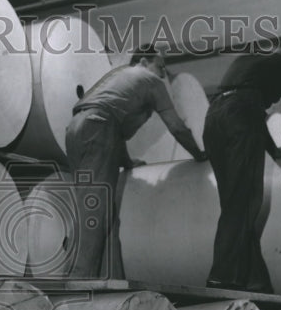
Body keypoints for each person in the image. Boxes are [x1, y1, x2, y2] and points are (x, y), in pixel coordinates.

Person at [65, 45, 206, 278]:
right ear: (142, 61)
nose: (163, 73)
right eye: (160, 66)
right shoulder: (151, 81)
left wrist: (128, 162)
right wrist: (199, 155)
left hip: (75, 130)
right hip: (98, 128)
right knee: (96, 210)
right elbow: (176, 127)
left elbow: (112, 126)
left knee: (97, 207)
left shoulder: (118, 77)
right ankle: (78, 280)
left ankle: (109, 278)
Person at [203, 30, 281, 292]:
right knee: (244, 204)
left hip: (213, 117)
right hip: (242, 117)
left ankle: (256, 282)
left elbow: (245, 105)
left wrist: (273, 150)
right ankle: (221, 280)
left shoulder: (246, 60)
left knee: (235, 204)